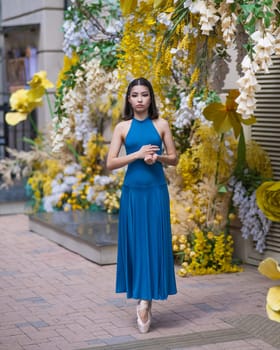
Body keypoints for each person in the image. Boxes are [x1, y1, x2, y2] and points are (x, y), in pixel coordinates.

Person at [106, 77, 177, 333]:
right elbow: (110, 163)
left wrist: (157, 158)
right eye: (134, 95)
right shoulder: (122, 128)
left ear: (150, 98)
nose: (139, 99)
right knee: (137, 244)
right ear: (128, 98)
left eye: (144, 94)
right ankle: (143, 299)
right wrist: (136, 155)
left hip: (156, 192)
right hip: (133, 194)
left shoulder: (162, 124)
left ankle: (145, 300)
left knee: (154, 243)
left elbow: (174, 159)